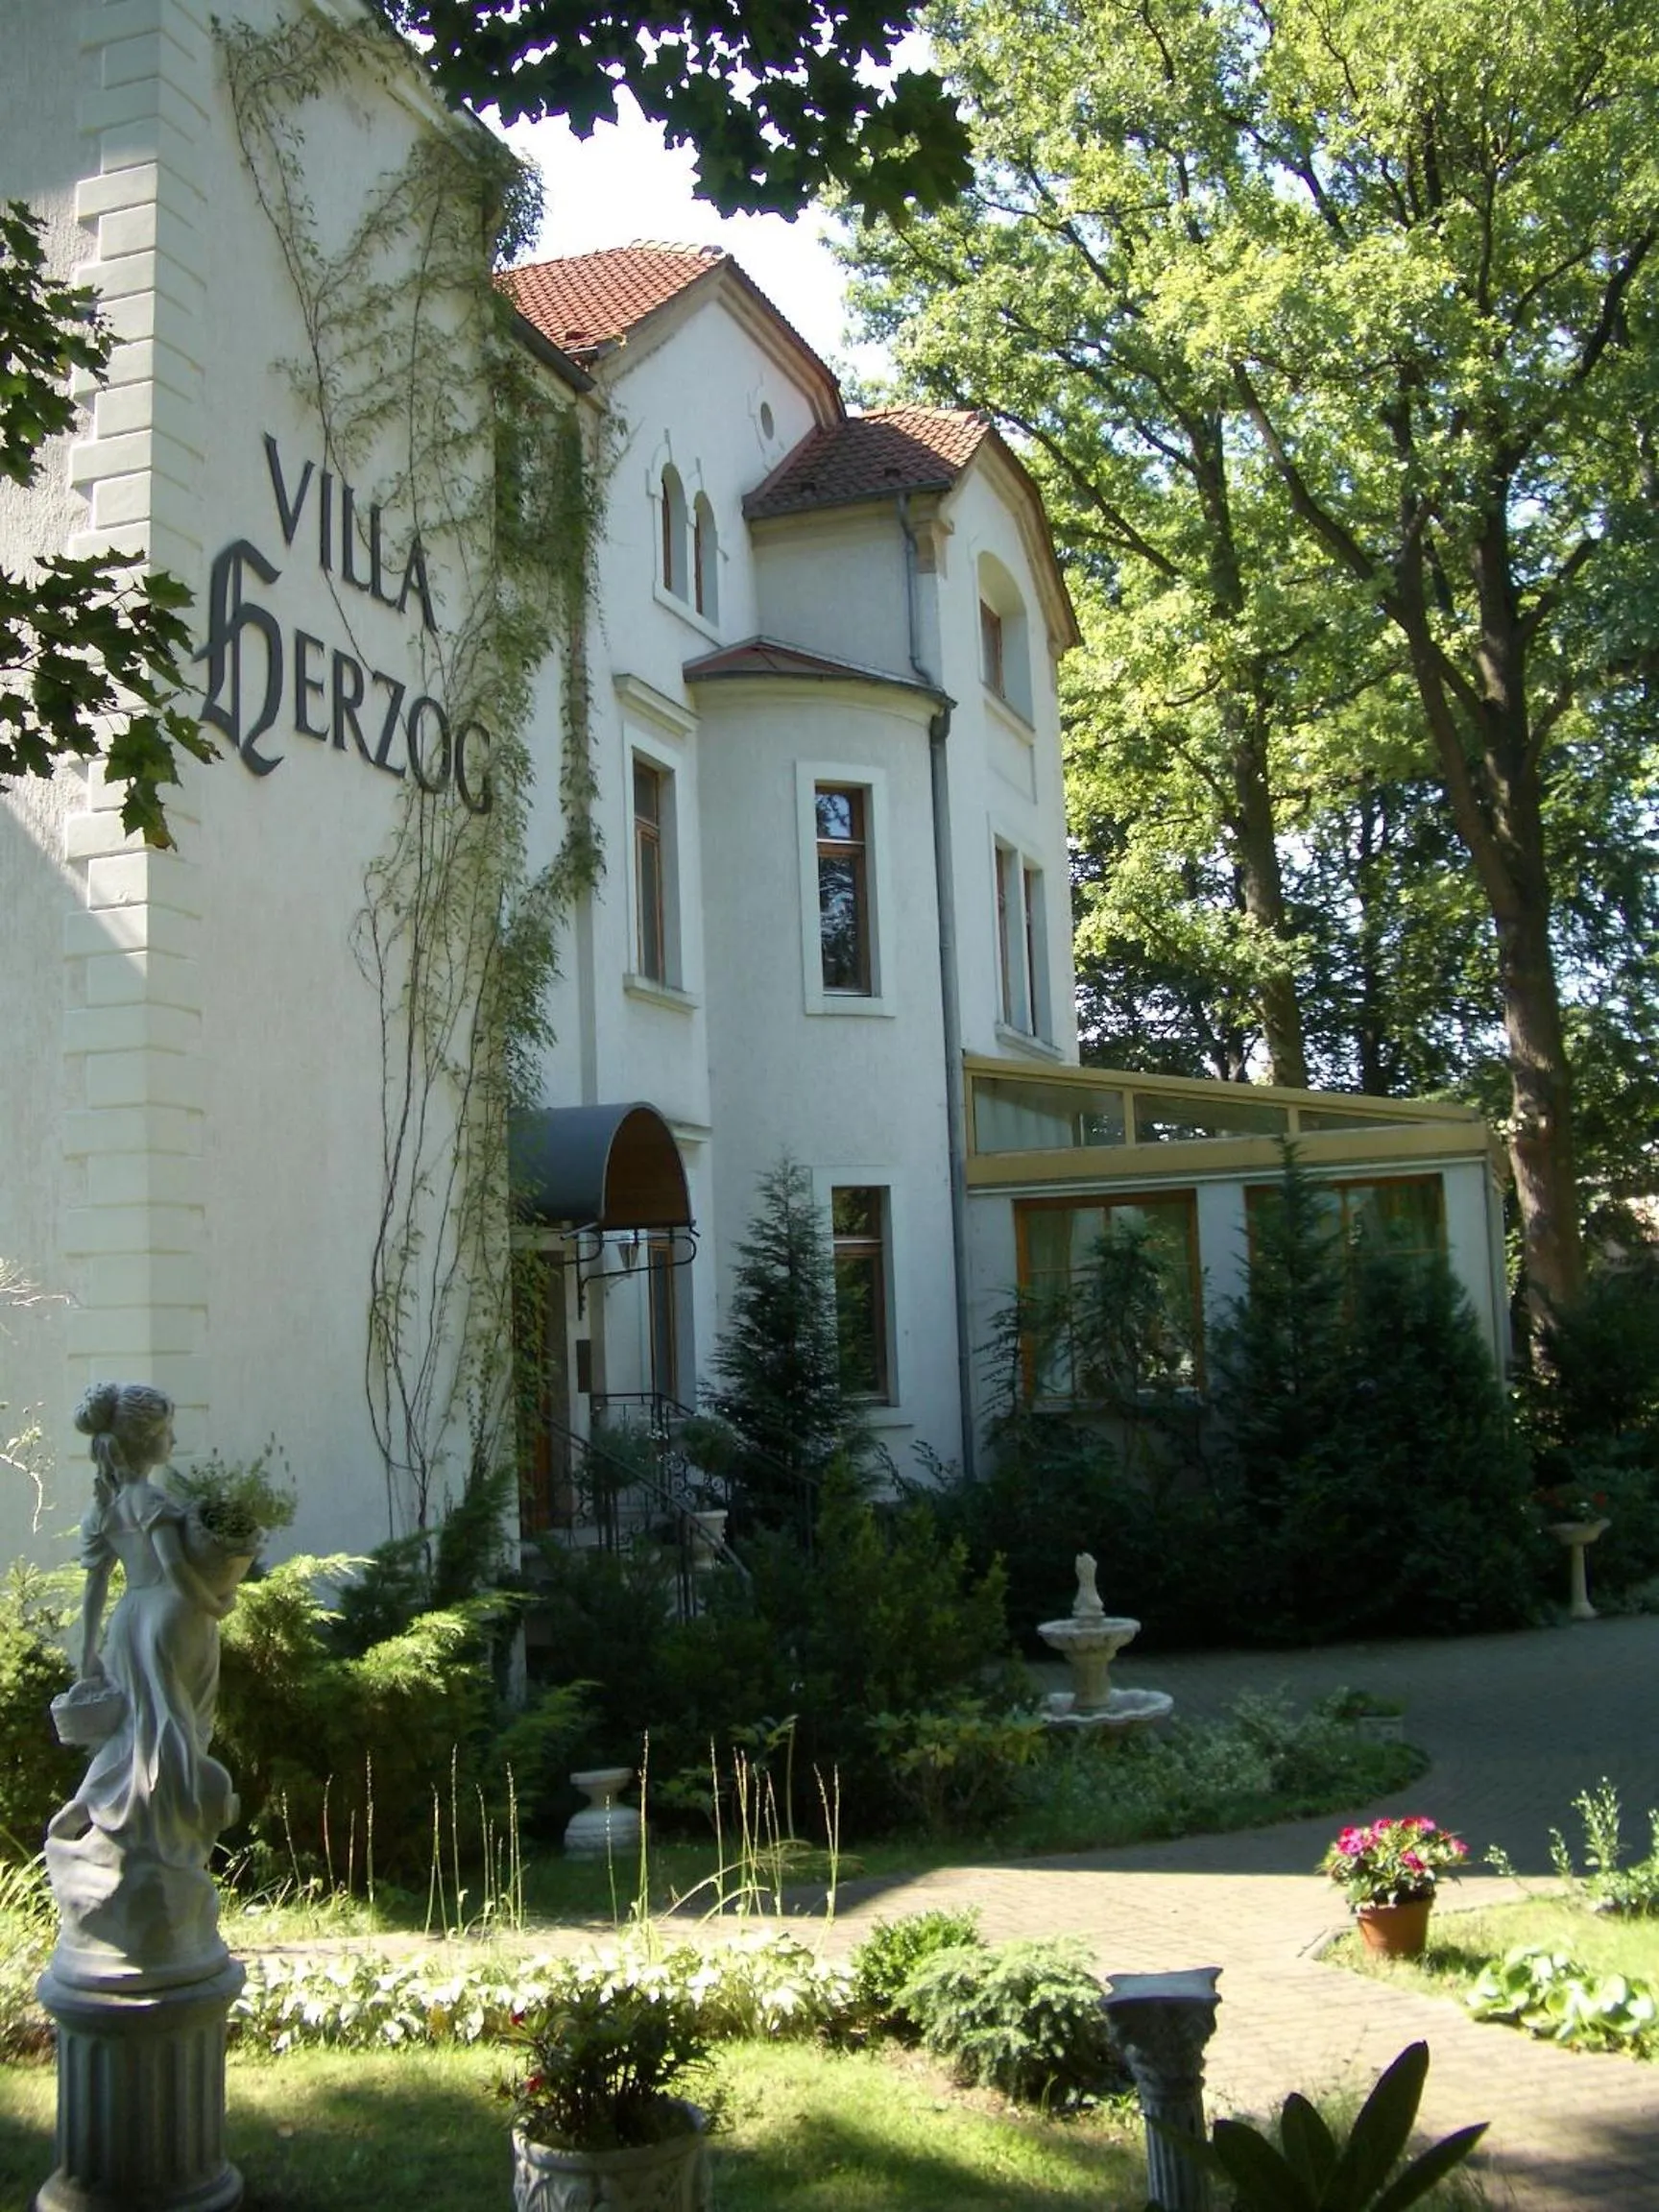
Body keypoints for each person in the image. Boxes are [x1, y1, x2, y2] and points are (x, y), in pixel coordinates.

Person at [50, 1382, 237, 1866]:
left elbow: (94, 1587)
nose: (172, 1440)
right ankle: (190, 1805)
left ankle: (94, 1801)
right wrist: (214, 1603)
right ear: (145, 1441)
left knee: (135, 1727)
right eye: (166, 1431)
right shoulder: (149, 1500)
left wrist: (87, 1651)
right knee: (177, 1724)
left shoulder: (102, 1509)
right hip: (174, 1614)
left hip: (128, 1621)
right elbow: (175, 1568)